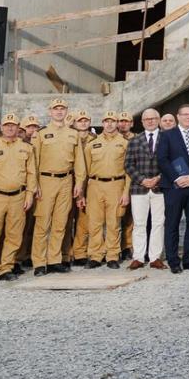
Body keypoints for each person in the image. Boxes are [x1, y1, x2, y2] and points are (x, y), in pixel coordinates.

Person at [0, 115, 36, 282]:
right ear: (1, 127)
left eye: (14, 125)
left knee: (14, 234)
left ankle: (6, 267)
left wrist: (30, 194)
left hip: (18, 196)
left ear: (19, 128)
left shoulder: (26, 148)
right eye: (7, 125)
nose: (10, 128)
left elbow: (31, 173)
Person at [29, 110, 87, 277]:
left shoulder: (73, 134)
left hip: (66, 180)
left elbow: (79, 161)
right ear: (50, 112)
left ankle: (54, 260)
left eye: (62, 109)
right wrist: (35, 185)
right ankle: (39, 262)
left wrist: (79, 183)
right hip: (46, 180)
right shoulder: (41, 133)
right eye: (56, 109)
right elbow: (34, 161)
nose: (59, 112)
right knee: (43, 222)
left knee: (60, 223)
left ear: (66, 112)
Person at [158, 106, 189, 273]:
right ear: (178, 117)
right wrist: (177, 178)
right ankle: (173, 260)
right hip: (174, 186)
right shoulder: (166, 135)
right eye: (184, 114)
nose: (188, 117)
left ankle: (188, 259)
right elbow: (162, 159)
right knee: (172, 223)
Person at [81, 114, 130, 269]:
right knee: (94, 222)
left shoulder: (124, 143)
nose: (109, 124)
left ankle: (112, 255)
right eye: (106, 121)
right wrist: (81, 193)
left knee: (113, 222)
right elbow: (85, 170)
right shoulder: (92, 144)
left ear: (117, 123)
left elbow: (129, 171)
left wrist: (126, 192)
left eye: (112, 121)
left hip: (116, 184)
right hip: (95, 185)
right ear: (102, 123)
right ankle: (95, 255)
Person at [125, 109, 165, 270]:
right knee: (139, 224)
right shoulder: (134, 141)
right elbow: (128, 164)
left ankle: (155, 257)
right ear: (142, 122)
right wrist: (142, 180)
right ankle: (139, 257)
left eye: (153, 118)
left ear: (158, 119)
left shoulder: (167, 138)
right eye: (146, 119)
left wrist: (158, 178)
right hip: (139, 188)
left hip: (160, 187)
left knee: (158, 223)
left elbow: (171, 162)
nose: (150, 121)